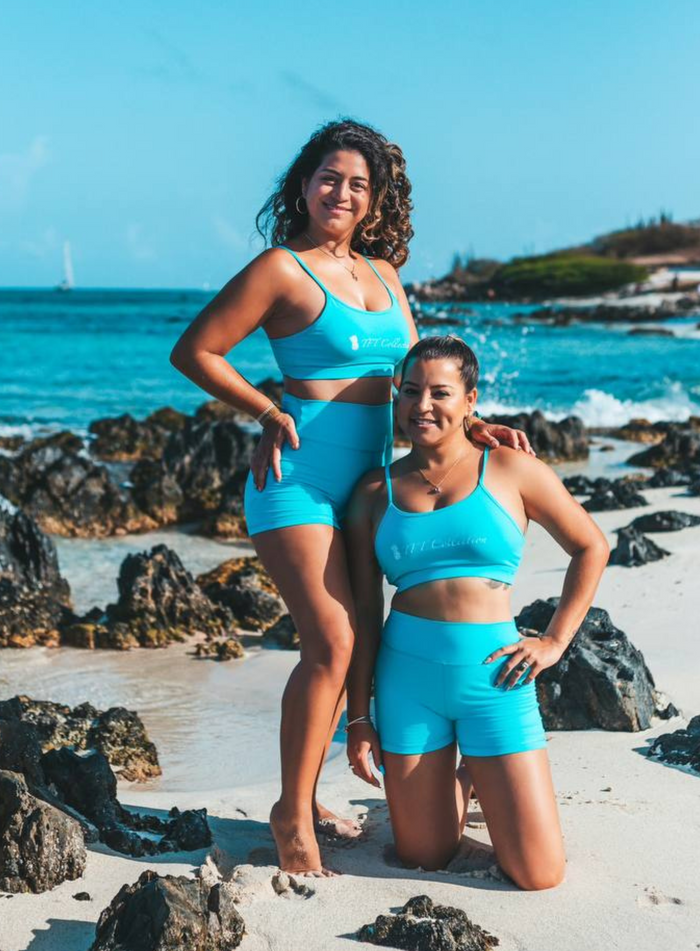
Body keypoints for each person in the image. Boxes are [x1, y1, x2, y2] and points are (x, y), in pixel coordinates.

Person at [170, 120, 532, 876]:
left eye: (357, 184)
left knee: (358, 636)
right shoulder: (281, 268)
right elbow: (196, 350)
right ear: (303, 184)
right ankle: (290, 815)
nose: (341, 193)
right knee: (332, 643)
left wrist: (473, 421)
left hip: (370, 489)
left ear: (374, 201)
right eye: (329, 177)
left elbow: (420, 378)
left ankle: (305, 793)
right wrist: (269, 410)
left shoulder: (386, 275)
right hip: (296, 480)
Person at [345, 335, 610, 889]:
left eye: (440, 392)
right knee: (424, 855)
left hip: (496, 677)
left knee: (538, 874)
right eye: (410, 391)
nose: (422, 405)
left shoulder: (512, 469)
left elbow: (592, 545)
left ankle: (474, 770)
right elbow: (364, 615)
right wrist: (360, 716)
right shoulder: (375, 493)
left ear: (470, 400)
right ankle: (461, 781)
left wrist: (556, 641)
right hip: (406, 682)